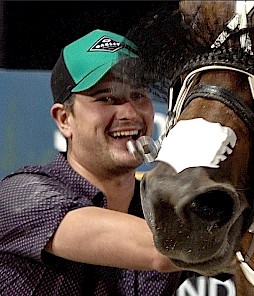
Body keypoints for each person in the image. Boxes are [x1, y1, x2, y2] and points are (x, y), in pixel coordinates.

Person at [0, 29, 188, 295]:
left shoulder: (157, 207)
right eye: (106, 98)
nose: (130, 112)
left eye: (138, 95)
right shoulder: (19, 196)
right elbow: (164, 249)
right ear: (64, 119)